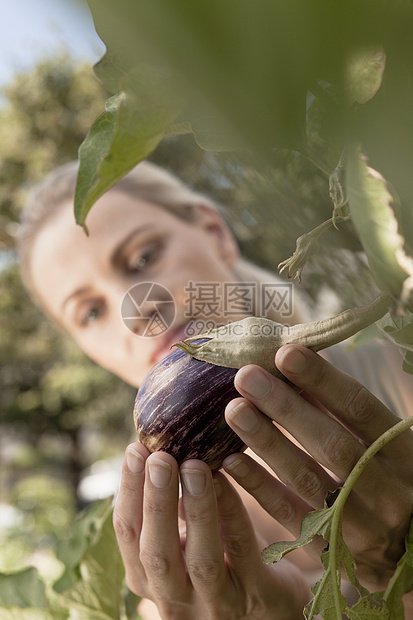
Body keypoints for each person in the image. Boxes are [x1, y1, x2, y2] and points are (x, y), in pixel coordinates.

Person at [18, 159, 413, 619]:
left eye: (144, 257)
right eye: (89, 312)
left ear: (215, 233)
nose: (138, 310)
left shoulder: (401, 369)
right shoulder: (171, 563)